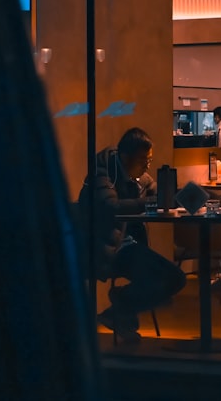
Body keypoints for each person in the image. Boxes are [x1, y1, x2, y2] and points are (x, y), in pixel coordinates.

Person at [76, 127, 187, 344]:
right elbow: (110, 206)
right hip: (104, 248)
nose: (147, 166)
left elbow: (160, 192)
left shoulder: (138, 176)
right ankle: (121, 308)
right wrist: (153, 202)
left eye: (149, 160)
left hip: (125, 246)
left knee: (175, 278)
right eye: (143, 160)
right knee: (167, 278)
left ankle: (120, 312)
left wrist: (185, 196)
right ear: (125, 157)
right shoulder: (102, 174)